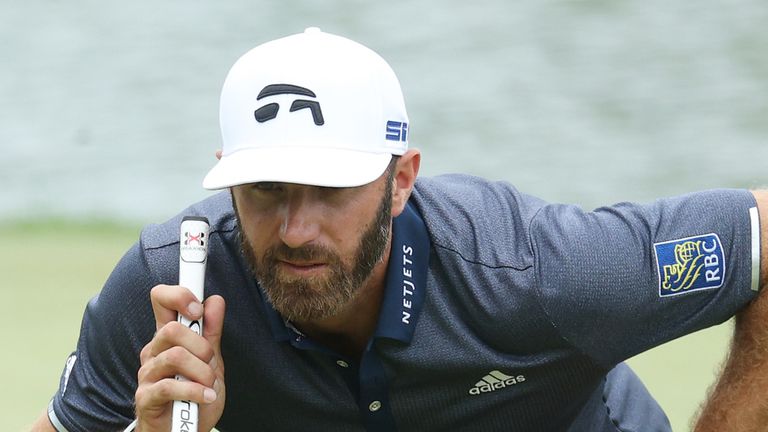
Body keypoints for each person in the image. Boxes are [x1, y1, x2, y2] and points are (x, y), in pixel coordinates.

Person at [32, 27, 768, 432]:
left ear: (402, 180)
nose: (295, 229)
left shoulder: (541, 273)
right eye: (265, 190)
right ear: (227, 179)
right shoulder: (167, 289)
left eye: (331, 190)